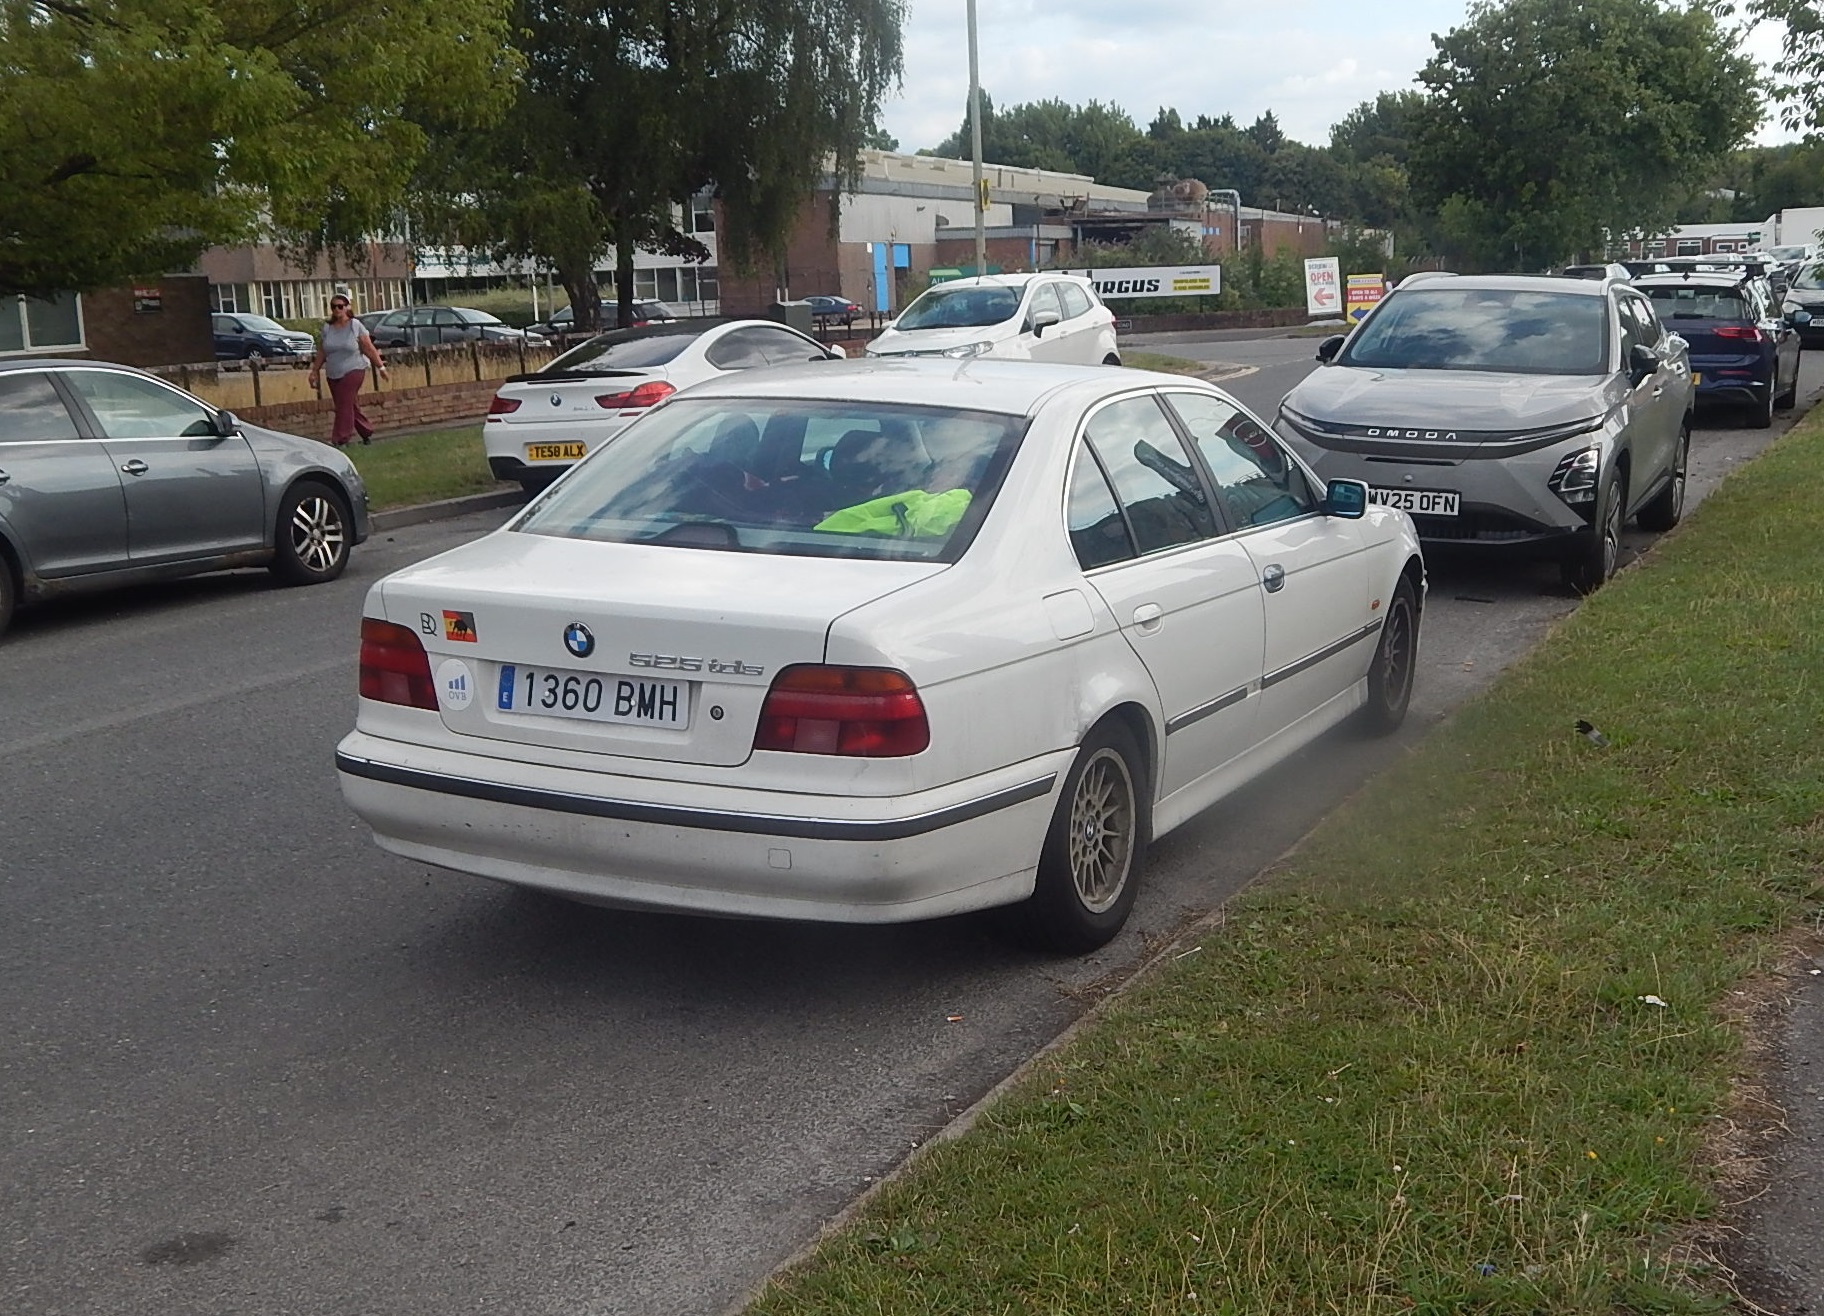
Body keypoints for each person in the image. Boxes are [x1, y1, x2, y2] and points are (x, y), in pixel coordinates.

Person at [308, 294, 388, 446]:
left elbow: (369, 347)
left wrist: (380, 366)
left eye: (340, 306)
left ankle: (340, 439)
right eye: (334, 307)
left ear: (347, 307)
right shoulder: (327, 328)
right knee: (347, 404)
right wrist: (314, 371)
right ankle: (366, 432)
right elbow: (322, 351)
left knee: (344, 404)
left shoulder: (355, 325)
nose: (337, 309)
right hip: (333, 372)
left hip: (354, 368)